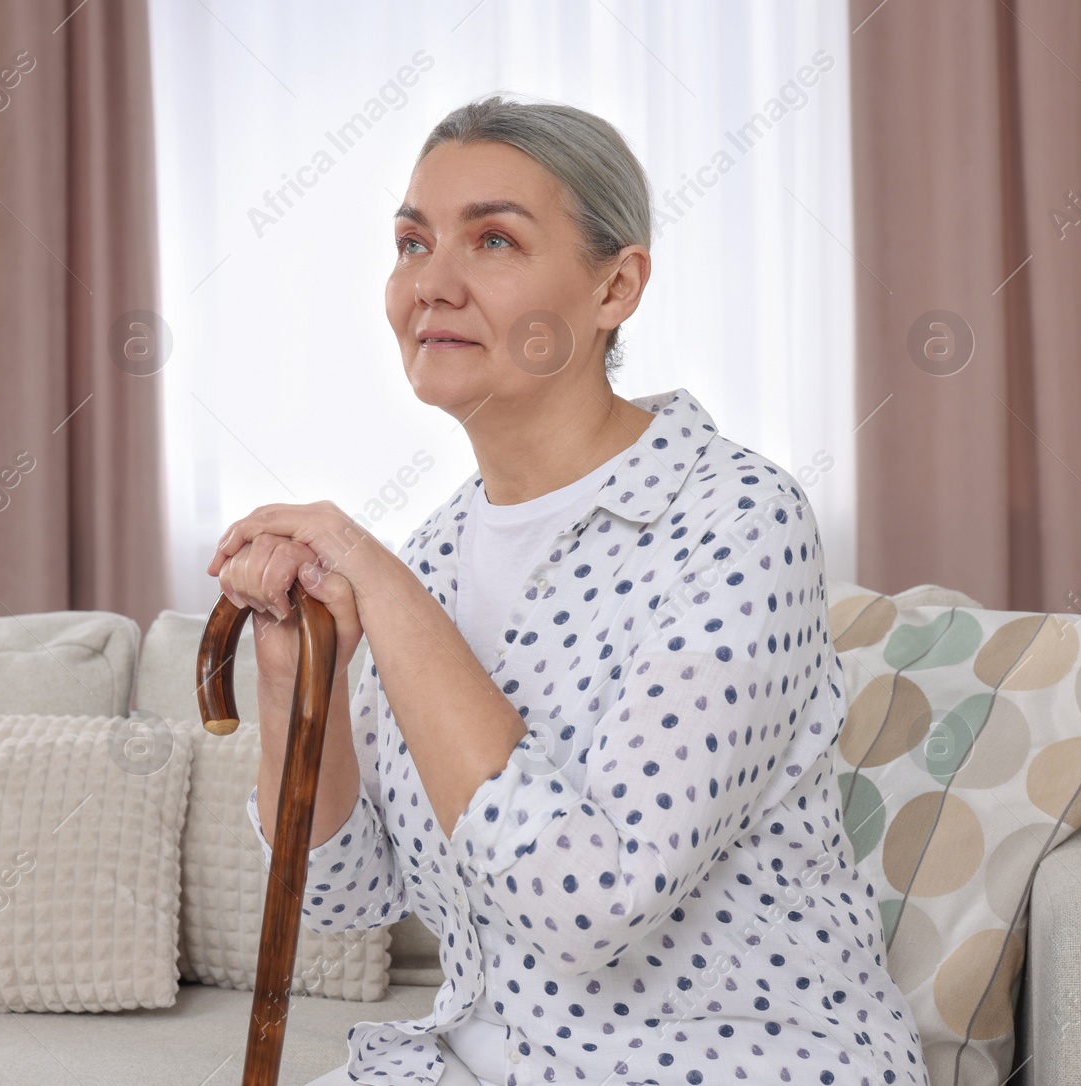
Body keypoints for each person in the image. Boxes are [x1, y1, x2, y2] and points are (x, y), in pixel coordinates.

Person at [207, 94, 928, 1086]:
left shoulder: (737, 521)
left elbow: (593, 907)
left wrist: (379, 585)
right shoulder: (436, 554)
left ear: (614, 287)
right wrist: (296, 666)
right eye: (412, 241)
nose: (433, 284)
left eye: (492, 240)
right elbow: (344, 891)